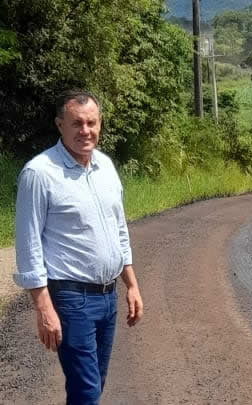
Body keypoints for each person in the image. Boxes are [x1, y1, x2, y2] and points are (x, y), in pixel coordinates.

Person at [13, 89, 143, 404]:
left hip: (107, 296)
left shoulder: (106, 167)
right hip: (71, 299)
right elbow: (28, 244)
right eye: (76, 123)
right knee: (86, 390)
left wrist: (131, 285)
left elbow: (119, 229)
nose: (85, 131)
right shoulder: (40, 173)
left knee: (94, 384)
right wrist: (44, 308)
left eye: (91, 123)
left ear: (99, 124)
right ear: (60, 125)